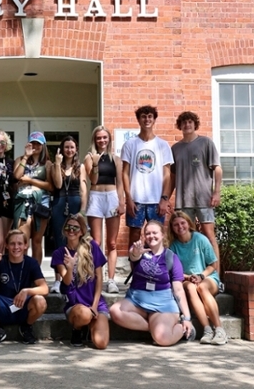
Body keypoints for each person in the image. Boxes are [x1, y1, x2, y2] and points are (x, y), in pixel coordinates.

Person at [110, 220, 195, 346]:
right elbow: (133, 255)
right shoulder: (138, 249)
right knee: (115, 311)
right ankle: (153, 327)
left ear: (162, 235)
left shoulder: (171, 257)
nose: (151, 236)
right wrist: (136, 253)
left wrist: (187, 318)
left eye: (154, 233)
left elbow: (178, 290)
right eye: (147, 233)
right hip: (136, 302)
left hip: (162, 305)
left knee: (162, 338)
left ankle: (182, 329)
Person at [170, 111, 222, 273]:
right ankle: (191, 273)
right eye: (184, 122)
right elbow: (172, 176)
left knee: (209, 235)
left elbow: (217, 169)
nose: (187, 125)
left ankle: (216, 277)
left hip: (204, 199)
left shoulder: (206, 143)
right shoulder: (176, 148)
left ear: (195, 124)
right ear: (180, 125)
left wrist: (217, 192)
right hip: (183, 201)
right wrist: (165, 198)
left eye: (190, 122)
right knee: (186, 238)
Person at [0, 229, 48, 345]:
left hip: (23, 305)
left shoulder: (31, 263)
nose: (16, 247)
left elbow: (44, 288)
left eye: (20, 243)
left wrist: (26, 291)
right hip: (3, 305)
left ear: (26, 245)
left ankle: (26, 328)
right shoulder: (1, 261)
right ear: (6, 245)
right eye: (12, 244)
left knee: (40, 301)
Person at [50, 213, 110, 349]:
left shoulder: (92, 247)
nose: (71, 230)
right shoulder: (59, 253)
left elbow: (99, 277)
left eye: (75, 228)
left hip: (95, 303)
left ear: (82, 231)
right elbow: (66, 282)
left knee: (101, 344)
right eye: (68, 227)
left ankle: (89, 326)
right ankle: (77, 329)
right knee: (84, 314)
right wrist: (70, 267)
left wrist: (95, 306)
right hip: (75, 306)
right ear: (64, 230)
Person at [168, 211, 228, 345]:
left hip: (207, 276)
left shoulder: (200, 239)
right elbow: (173, 271)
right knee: (190, 287)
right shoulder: (173, 247)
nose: (180, 227)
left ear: (189, 224)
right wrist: (188, 277)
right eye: (176, 225)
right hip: (186, 280)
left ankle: (219, 330)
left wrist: (201, 276)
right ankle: (207, 330)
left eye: (182, 223)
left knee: (202, 287)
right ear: (172, 228)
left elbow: (213, 264)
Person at [121, 105, 173, 250]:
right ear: (138, 119)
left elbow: (167, 174)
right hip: (136, 200)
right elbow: (124, 173)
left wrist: (164, 199)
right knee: (134, 236)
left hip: (156, 201)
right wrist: (128, 198)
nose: (147, 119)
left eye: (150, 116)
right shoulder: (130, 144)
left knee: (157, 236)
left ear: (154, 119)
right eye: (143, 116)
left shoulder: (163, 145)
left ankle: (157, 269)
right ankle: (136, 269)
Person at [84, 125, 124, 293]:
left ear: (109, 139)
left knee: (112, 243)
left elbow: (120, 182)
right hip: (96, 197)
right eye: (99, 137)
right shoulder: (89, 157)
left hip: (112, 197)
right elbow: (92, 180)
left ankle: (111, 280)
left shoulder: (116, 158)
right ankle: (95, 277)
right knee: (96, 242)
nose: (102, 140)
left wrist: (122, 202)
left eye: (104, 137)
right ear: (95, 139)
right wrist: (94, 164)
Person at [49, 136, 87, 294]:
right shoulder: (54, 165)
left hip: (75, 202)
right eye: (66, 147)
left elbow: (84, 189)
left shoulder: (81, 167)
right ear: (62, 149)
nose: (69, 150)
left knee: (77, 240)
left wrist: (83, 210)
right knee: (60, 240)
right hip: (59, 204)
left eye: (72, 147)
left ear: (76, 149)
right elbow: (57, 184)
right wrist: (57, 164)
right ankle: (58, 280)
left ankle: (77, 276)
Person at [13, 132, 53, 264]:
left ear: (43, 146)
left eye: (38, 143)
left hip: (41, 202)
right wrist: (26, 156)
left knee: (37, 241)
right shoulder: (20, 159)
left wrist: (30, 180)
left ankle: (36, 274)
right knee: (22, 240)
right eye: (33, 143)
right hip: (23, 202)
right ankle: (22, 272)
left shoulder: (47, 164)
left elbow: (50, 186)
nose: (35, 146)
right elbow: (17, 176)